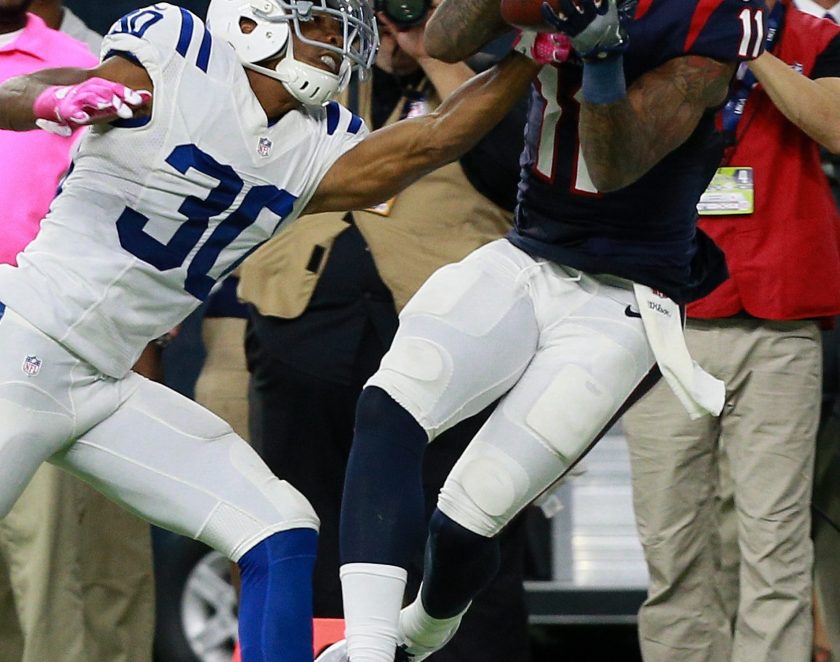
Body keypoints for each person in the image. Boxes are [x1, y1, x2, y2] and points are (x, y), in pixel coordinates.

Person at [0, 0, 541, 658]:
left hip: (103, 380)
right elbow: (26, 89)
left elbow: (435, 139)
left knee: (278, 526)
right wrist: (55, 103)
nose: (339, 39)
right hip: (23, 344)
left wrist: (539, 50)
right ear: (253, 21)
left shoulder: (313, 139)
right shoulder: (177, 55)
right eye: (319, 22)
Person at [317, 0, 770, 660]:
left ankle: (423, 631)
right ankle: (367, 647)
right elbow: (444, 39)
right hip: (527, 254)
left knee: (471, 520)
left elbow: (615, 165)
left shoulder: (712, 17)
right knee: (390, 405)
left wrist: (602, 54)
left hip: (623, 297)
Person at [239, 6, 531, 658]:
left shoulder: (497, 74)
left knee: (460, 534)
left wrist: (434, 49)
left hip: (448, 352)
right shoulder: (309, 75)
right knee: (299, 532)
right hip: (301, 336)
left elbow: (526, 168)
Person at [618, 1, 840, 659]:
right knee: (671, 543)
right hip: (662, 323)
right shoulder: (648, 26)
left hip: (776, 319)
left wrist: (752, 46)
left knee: (774, 538)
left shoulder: (815, 35)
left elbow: (833, 125)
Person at [0, 3, 155, 661]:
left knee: (54, 568)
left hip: (45, 341)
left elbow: (144, 198)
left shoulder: (84, 65)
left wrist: (141, 335)